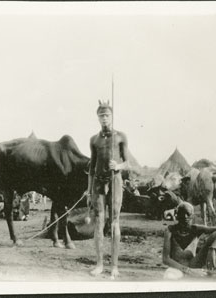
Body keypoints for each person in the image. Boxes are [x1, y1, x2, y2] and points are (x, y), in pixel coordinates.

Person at [87, 100, 129, 279]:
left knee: (114, 222)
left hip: (115, 182)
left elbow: (128, 163)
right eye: (101, 116)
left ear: (112, 117)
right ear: (98, 118)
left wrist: (118, 165)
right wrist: (89, 192)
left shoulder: (120, 137)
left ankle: (114, 266)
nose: (104, 119)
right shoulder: (94, 140)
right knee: (99, 222)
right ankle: (99, 264)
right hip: (98, 183)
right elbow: (91, 167)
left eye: (107, 115)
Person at [162, 202, 216, 279]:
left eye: (188, 214)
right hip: (176, 268)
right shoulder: (170, 230)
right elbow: (166, 259)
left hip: (194, 264)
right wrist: (189, 271)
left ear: (192, 216)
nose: (185, 217)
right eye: (182, 214)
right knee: (169, 277)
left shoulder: (196, 229)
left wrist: (212, 249)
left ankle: (212, 267)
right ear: (177, 216)